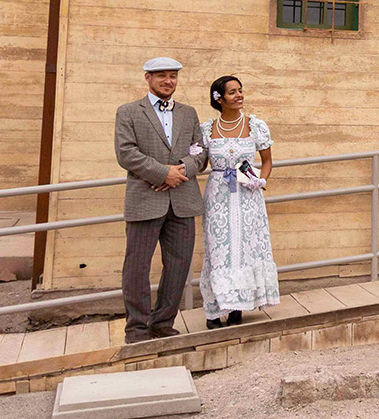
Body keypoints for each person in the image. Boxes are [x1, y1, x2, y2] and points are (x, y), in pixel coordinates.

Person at [114, 56, 210, 343]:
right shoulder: (129, 112)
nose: (169, 81)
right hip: (145, 199)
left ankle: (162, 322)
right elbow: (126, 153)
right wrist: (161, 174)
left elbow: (200, 152)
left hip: (183, 200)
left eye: (173, 76)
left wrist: (181, 170)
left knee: (179, 265)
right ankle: (137, 328)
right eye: (162, 76)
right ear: (148, 78)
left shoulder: (188, 113)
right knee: (137, 266)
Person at [198, 75, 280, 328]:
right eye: (232, 92)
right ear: (219, 99)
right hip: (218, 196)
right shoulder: (206, 129)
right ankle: (214, 309)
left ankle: (238, 308)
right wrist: (193, 153)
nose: (239, 95)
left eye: (240, 90)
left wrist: (261, 181)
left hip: (248, 195)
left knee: (246, 250)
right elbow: (201, 165)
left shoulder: (256, 125)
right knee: (219, 250)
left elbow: (266, 161)